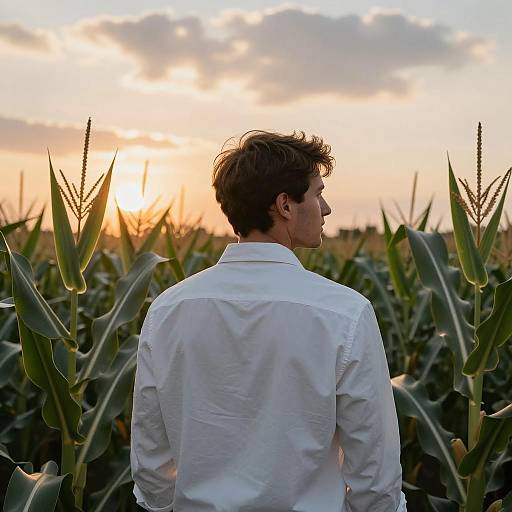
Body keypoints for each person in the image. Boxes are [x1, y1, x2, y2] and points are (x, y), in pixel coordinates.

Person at [130, 130, 407, 511]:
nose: (325, 210)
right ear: (286, 206)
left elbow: (151, 465)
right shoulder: (344, 313)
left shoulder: (167, 311)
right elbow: (375, 476)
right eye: (317, 194)